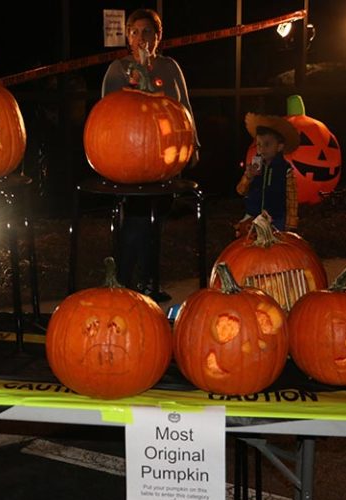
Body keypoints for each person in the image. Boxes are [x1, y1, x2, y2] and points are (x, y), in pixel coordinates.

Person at [101, 8, 200, 302]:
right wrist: (137, 79)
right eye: (135, 32)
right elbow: (108, 115)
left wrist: (193, 144)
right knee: (135, 219)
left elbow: (183, 109)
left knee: (156, 220)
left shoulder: (170, 68)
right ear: (127, 37)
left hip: (165, 160)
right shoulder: (118, 70)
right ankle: (127, 281)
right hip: (129, 160)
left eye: (147, 32)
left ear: (158, 37)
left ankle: (146, 280)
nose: (141, 38)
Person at [235, 112, 300, 236]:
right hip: (252, 217)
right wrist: (248, 177)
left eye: (267, 144)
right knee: (248, 247)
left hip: (276, 219)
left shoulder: (286, 170)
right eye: (259, 144)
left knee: (273, 249)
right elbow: (240, 191)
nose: (261, 149)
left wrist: (291, 224)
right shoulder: (254, 167)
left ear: (279, 147)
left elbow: (292, 199)